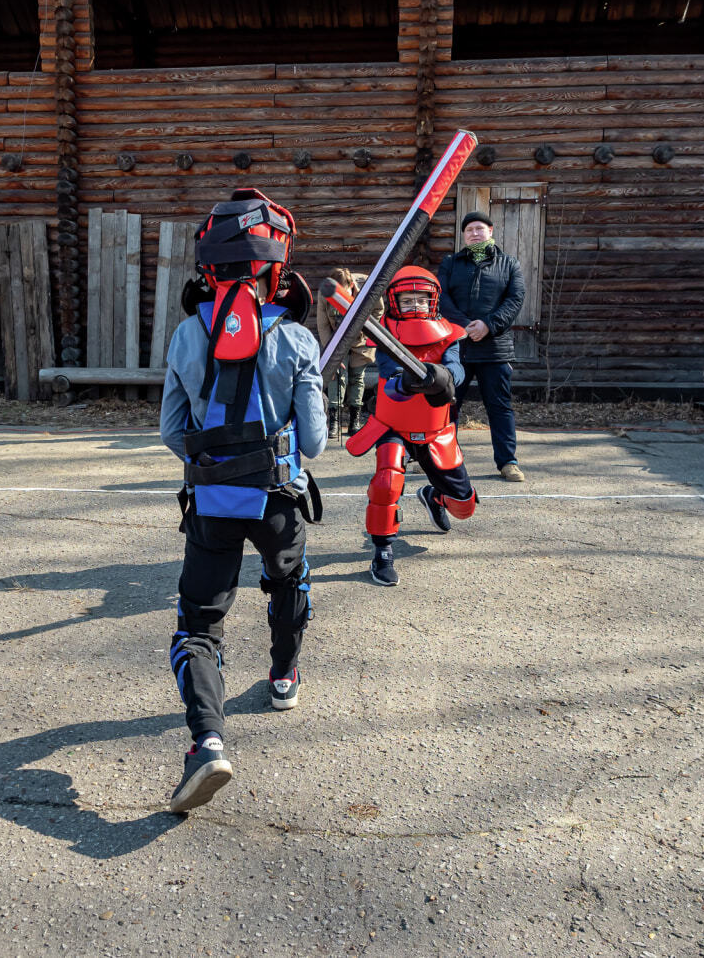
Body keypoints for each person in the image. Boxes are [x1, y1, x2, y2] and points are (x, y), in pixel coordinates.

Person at [160, 189, 326, 813]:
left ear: (209, 267)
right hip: (278, 498)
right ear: (273, 268)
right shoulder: (298, 341)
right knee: (288, 583)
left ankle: (207, 740)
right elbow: (313, 441)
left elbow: (172, 433)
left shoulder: (184, 334)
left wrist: (215, 456)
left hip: (210, 501)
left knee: (199, 623)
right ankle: (283, 676)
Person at [345, 266, 476, 586]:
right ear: (395, 302)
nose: (415, 305)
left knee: (464, 506)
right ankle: (382, 551)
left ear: (433, 300)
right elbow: (389, 377)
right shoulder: (385, 332)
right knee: (387, 482)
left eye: (421, 299)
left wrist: (443, 377)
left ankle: (435, 496)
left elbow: (456, 371)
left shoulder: (450, 333)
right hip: (393, 422)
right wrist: (406, 383)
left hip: (436, 427)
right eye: (408, 300)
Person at [438, 210, 526, 482]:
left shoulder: (509, 264)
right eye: (469, 230)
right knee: (447, 405)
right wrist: (465, 325)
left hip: (495, 348)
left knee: (499, 407)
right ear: (463, 236)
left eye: (479, 228)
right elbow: (440, 297)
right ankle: (439, 458)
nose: (474, 233)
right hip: (457, 347)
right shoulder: (451, 263)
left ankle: (508, 462)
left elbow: (515, 299)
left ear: (490, 230)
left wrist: (488, 324)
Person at [315, 268, 382, 436]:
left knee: (357, 377)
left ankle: (354, 421)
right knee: (336, 377)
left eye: (342, 294)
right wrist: (332, 351)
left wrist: (366, 329)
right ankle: (334, 422)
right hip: (337, 340)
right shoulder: (326, 292)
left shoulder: (367, 288)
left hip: (361, 340)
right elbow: (323, 325)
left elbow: (378, 310)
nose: (337, 298)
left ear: (351, 285)